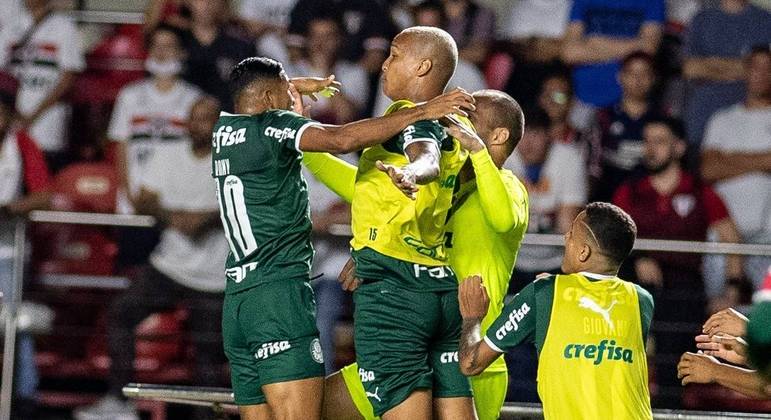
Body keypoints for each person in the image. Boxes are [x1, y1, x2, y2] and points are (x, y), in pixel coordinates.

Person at [212, 55, 473, 420]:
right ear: (271, 100)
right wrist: (423, 111)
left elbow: (260, 100)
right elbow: (342, 139)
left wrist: (288, 86)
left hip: (238, 301)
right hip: (278, 297)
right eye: (284, 91)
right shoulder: (275, 124)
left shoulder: (223, 131)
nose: (292, 98)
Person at [312, 89, 529, 420]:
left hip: (473, 359)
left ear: (498, 136)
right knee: (307, 407)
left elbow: (503, 218)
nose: (453, 123)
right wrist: (301, 143)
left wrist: (478, 152)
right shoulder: (441, 184)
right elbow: (359, 186)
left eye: (467, 117)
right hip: (412, 343)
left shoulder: (509, 186)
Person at [300, 26, 478, 419]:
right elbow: (370, 190)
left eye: (395, 54)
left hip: (396, 297)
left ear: (423, 66)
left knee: (302, 407)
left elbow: (425, 156)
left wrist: (415, 172)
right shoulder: (458, 132)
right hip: (439, 289)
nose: (384, 62)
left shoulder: (408, 118)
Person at [74, 97, 231, 420]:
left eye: (207, 118)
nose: (199, 125)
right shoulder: (169, 154)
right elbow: (144, 200)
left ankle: (207, 417)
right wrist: (179, 217)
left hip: (214, 275)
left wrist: (204, 218)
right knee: (120, 314)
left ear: (220, 124)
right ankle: (120, 401)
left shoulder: (234, 160)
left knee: (207, 356)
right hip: (168, 265)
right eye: (194, 118)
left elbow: (234, 207)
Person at [457, 202, 654, 420]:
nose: (565, 238)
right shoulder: (641, 301)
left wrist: (472, 318)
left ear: (583, 252)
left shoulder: (544, 294)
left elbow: (471, 362)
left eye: (571, 234)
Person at [613, 117, 745, 407]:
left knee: (675, 362)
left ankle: (669, 407)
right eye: (647, 141)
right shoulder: (631, 191)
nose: (650, 149)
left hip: (685, 292)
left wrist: (732, 290)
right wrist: (640, 256)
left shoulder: (698, 190)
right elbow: (609, 238)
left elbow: (732, 238)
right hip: (638, 288)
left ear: (679, 147)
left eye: (659, 141)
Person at [701, 45, 771, 288]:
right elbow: (709, 169)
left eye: (768, 67)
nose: (762, 73)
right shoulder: (723, 119)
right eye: (755, 67)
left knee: (766, 312)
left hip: (768, 233)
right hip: (724, 228)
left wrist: (729, 160)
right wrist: (764, 160)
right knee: (718, 308)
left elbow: (719, 165)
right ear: (745, 71)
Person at [0, 91, 50, 418]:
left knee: (15, 323)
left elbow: (44, 195)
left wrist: (9, 208)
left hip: (7, 251)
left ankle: (25, 395)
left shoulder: (22, 145)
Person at [0, 0, 85, 169]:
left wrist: (33, 116)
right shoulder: (11, 26)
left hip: (47, 127)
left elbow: (68, 77)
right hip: (10, 126)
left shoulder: (64, 27)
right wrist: (13, 113)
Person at [682, 0, 771, 154]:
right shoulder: (701, 19)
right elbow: (691, 69)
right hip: (702, 118)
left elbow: (762, 69)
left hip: (750, 121)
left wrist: (712, 64)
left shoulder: (764, 20)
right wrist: (743, 66)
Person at [561, 0, 664, 129]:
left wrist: (595, 44)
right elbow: (569, 53)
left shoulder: (653, 2)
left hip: (629, 104)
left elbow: (648, 49)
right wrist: (631, 46)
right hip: (583, 99)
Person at [586, 51, 661, 202]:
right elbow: (593, 163)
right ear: (620, 77)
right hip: (608, 193)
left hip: (651, 196)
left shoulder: (663, 118)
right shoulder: (603, 116)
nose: (638, 80)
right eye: (632, 73)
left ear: (653, 79)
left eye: (644, 74)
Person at [181, 0, 254, 111]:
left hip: (227, 118)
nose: (207, 4)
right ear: (188, 2)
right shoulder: (175, 41)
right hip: (180, 117)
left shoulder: (239, 45)